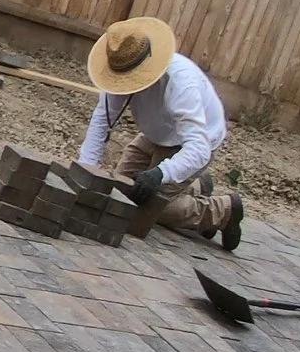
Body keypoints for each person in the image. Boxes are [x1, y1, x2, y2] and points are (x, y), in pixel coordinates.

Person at [78, 15, 243, 250]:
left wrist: (160, 173)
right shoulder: (118, 68)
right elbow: (102, 121)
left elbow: (199, 149)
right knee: (120, 193)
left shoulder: (181, 85)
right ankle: (196, 186)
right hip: (154, 133)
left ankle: (223, 210)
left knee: (139, 215)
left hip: (193, 142)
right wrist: (86, 170)